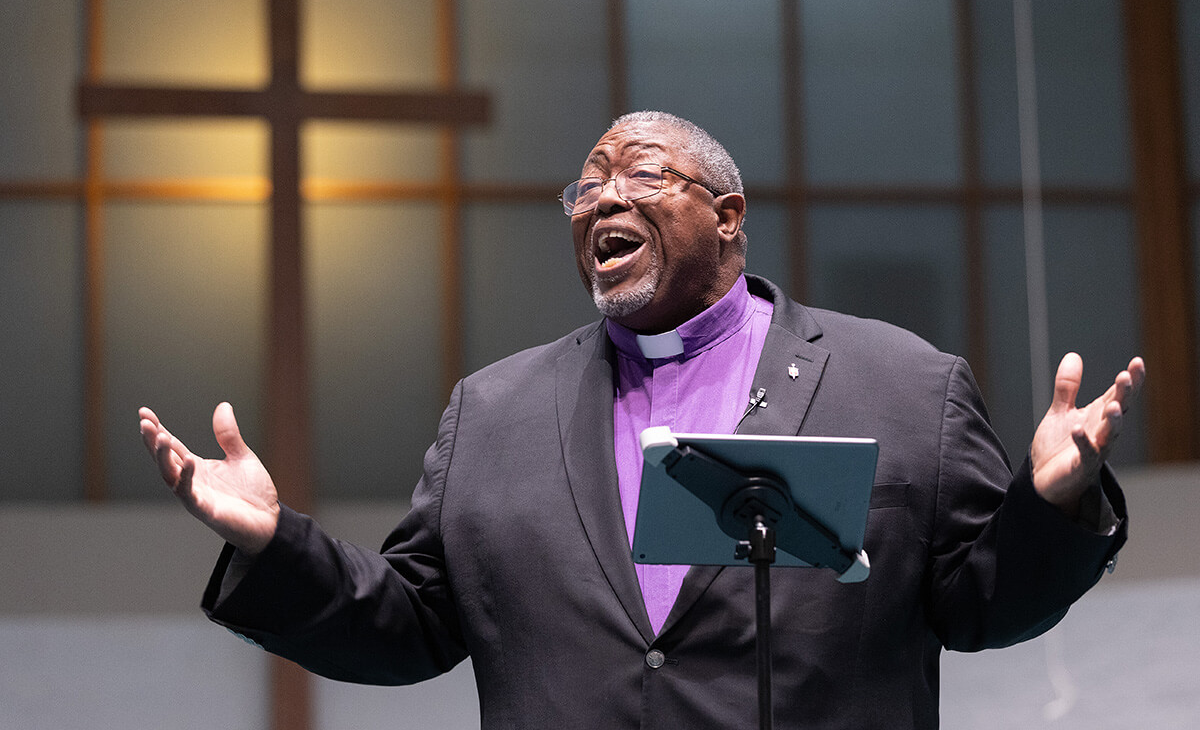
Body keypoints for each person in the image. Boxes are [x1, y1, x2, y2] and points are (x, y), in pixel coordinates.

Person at [140, 111, 1145, 729]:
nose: (603, 198)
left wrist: (1053, 505)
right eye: (588, 185)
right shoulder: (493, 412)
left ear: (728, 215)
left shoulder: (900, 382)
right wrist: (277, 547)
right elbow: (409, 624)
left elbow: (980, 604)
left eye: (643, 173)